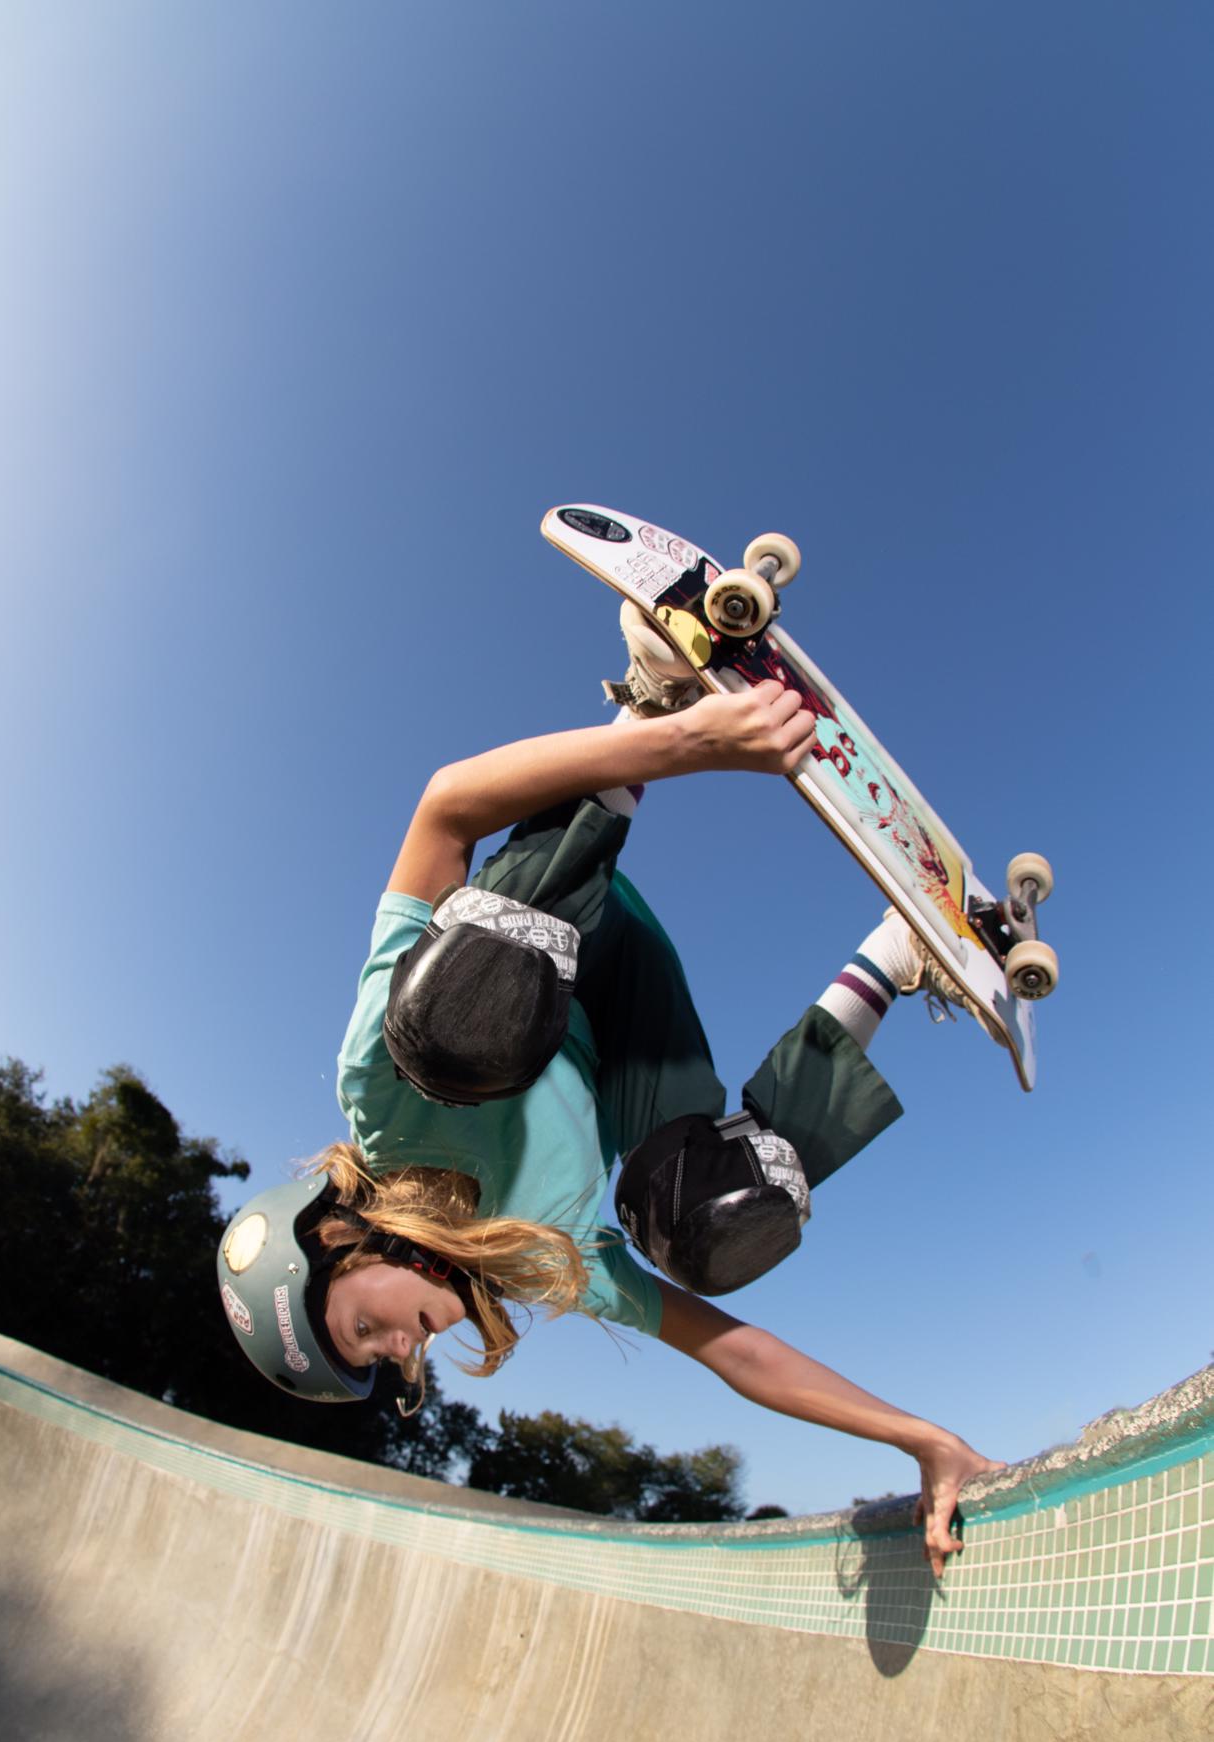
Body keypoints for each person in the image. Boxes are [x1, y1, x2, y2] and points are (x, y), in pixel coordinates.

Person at [217, 608, 1004, 1577]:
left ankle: (652, 688)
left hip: (548, 929)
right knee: (704, 1223)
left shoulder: (378, 1094)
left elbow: (445, 809)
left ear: (334, 1236)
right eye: (382, 1361)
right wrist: (921, 1438)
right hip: (627, 1028)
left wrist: (681, 740)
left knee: (449, 1033)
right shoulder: (549, 1263)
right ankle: (899, 949)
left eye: (361, 1325)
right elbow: (733, 1350)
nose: (396, 1346)